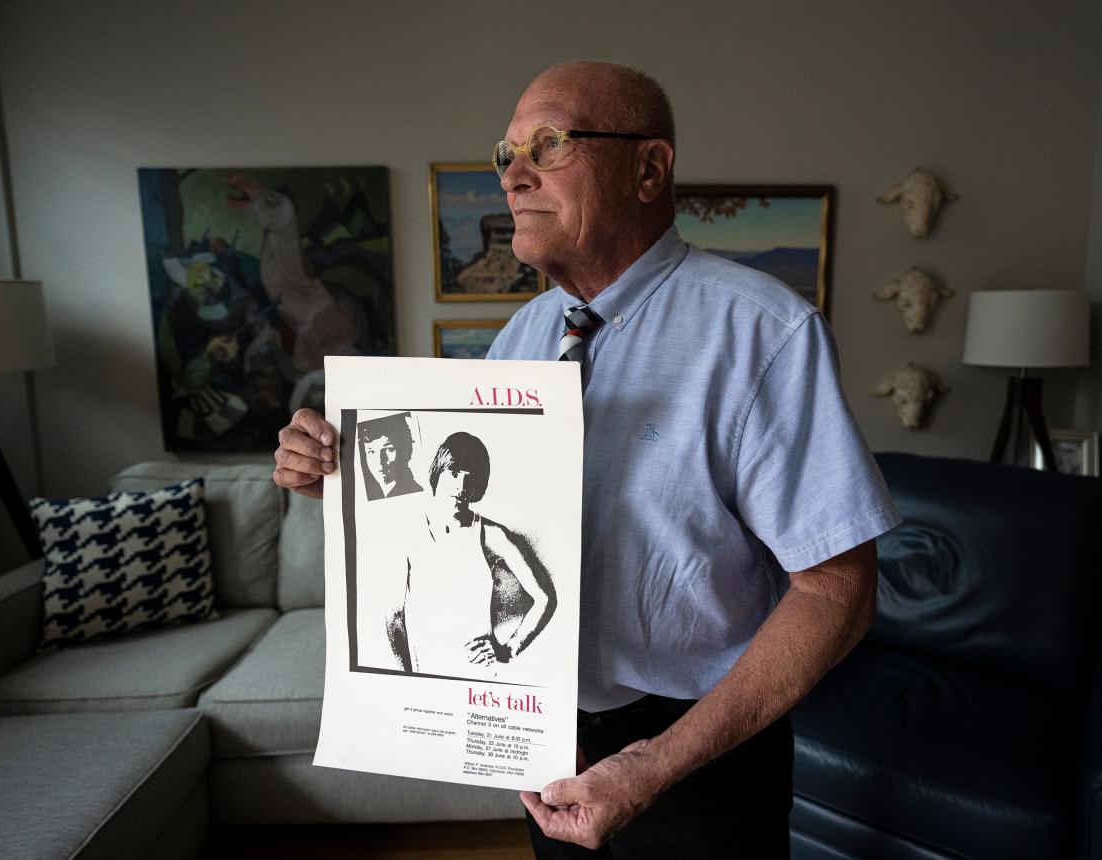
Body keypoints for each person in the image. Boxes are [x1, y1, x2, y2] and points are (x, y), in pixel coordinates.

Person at [273, 60, 901, 858]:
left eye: (548, 143)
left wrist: (651, 764)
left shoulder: (765, 335)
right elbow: (453, 516)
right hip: (549, 744)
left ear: (648, 168)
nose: (513, 176)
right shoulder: (522, 338)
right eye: (505, 154)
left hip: (698, 756)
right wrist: (332, 475)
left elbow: (838, 590)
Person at [384, 431, 557, 678]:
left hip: (479, 677)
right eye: (454, 474)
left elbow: (545, 598)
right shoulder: (407, 534)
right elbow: (394, 617)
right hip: (425, 673)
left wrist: (509, 649)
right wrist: (405, 678)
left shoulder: (492, 534)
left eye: (470, 478)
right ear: (438, 473)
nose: (461, 486)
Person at [356, 412, 423, 501]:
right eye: (371, 451)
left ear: (404, 450)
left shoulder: (414, 492)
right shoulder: (367, 494)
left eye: (389, 449)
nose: (379, 462)